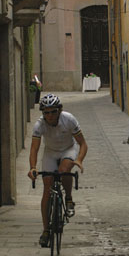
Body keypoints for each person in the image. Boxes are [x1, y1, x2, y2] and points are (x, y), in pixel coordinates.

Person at [27, 93, 88, 247]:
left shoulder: (69, 119)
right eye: (46, 112)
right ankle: (46, 230)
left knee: (64, 169)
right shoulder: (39, 125)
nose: (50, 116)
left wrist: (79, 160)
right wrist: (33, 168)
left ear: (59, 110)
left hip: (68, 148)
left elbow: (83, 144)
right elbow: (34, 149)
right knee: (47, 187)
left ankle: (68, 198)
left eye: (53, 111)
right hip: (50, 152)